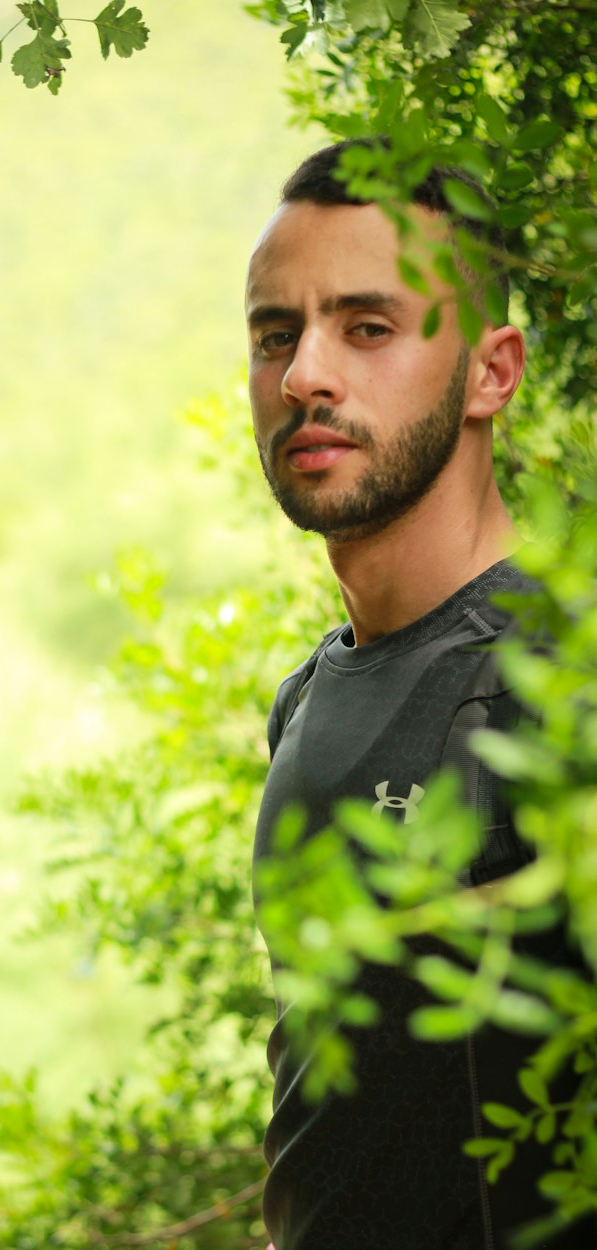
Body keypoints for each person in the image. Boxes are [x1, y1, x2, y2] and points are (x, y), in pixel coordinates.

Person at [246, 141, 591, 1250]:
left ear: (493, 370)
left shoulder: (560, 675)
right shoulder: (307, 696)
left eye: (367, 327)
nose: (304, 374)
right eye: (274, 334)